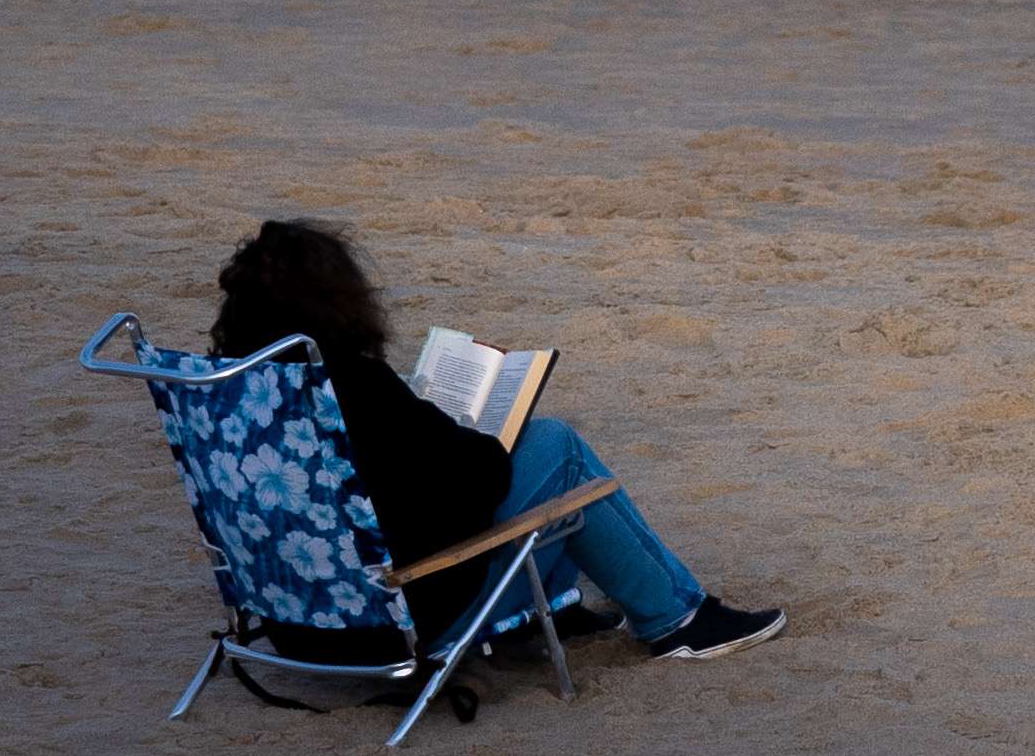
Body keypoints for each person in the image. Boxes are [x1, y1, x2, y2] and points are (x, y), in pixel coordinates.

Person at [206, 217, 783, 663]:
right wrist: (469, 434)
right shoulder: (355, 385)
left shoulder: (231, 393)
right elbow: (476, 486)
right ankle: (678, 619)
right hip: (400, 623)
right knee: (555, 445)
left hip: (302, 626)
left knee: (517, 460)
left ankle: (550, 606)